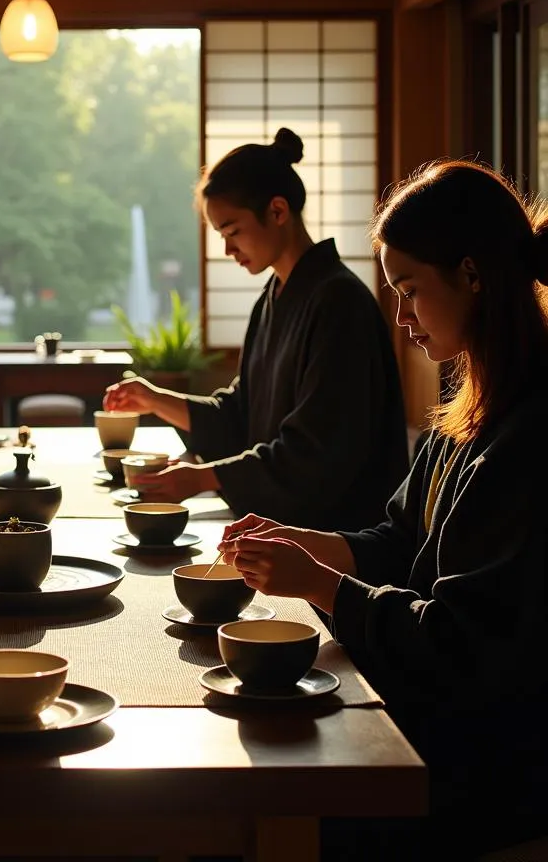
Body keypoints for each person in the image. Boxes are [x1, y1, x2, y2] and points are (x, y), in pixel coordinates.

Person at [220, 161, 548, 859]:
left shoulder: (528, 435)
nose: (400, 318)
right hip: (439, 718)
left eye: (409, 291)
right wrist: (303, 544)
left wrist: (319, 584)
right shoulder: (468, 409)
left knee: (272, 780)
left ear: (473, 275)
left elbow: (462, 647)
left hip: (487, 761)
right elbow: (397, 536)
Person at [103, 127, 408, 532]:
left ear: (277, 211)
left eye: (233, 231)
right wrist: (156, 399)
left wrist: (203, 477)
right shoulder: (274, 296)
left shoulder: (340, 302)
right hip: (288, 530)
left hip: (338, 539)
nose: (228, 250)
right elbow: (242, 413)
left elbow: (316, 452)